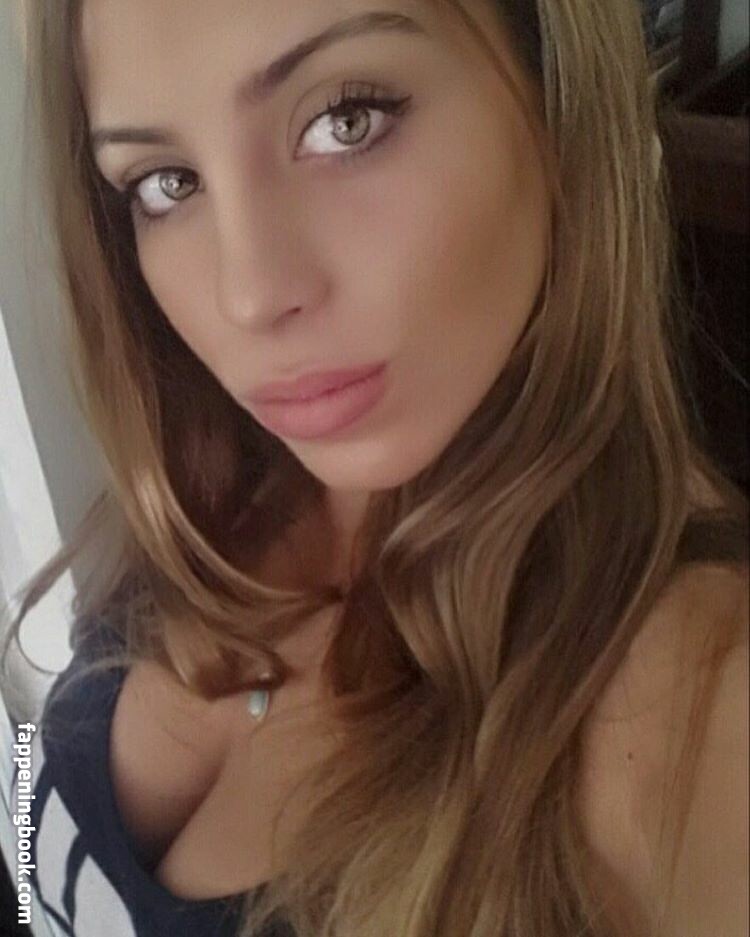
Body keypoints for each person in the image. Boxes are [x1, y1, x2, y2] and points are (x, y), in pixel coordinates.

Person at [1, 1, 747, 935]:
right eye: (167, 182)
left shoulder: (696, 722)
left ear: (556, 95)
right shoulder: (206, 494)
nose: (248, 295)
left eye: (346, 120)